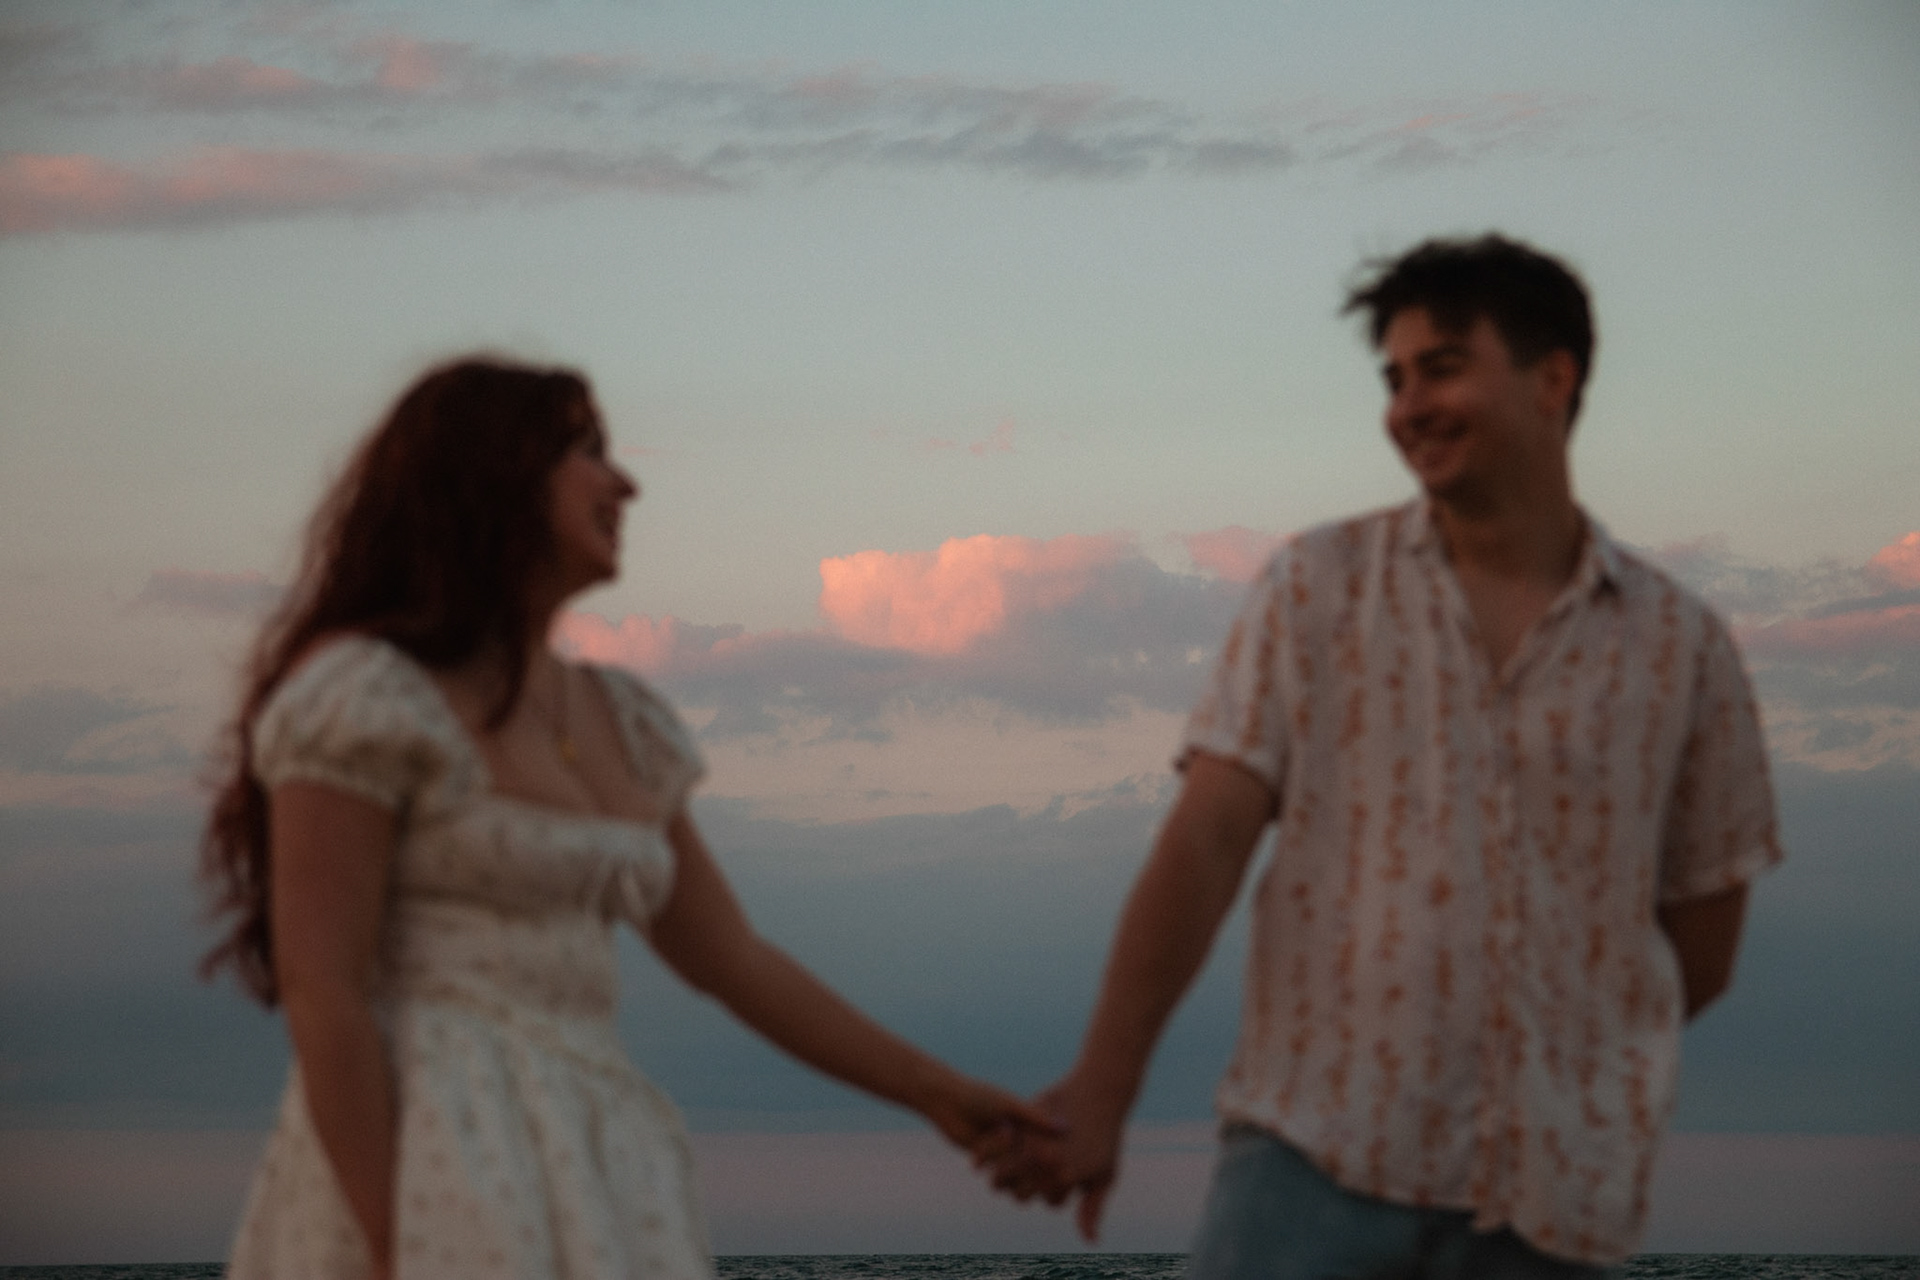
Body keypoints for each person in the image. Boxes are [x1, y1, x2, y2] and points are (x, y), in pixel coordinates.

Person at [985, 235, 1782, 1276]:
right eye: (1395, 379)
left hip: (1554, 1211)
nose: (1409, 407)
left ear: (1554, 379)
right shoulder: (1316, 587)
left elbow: (1699, 948)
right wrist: (1104, 1085)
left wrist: (1563, 1058)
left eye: (1441, 367)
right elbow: (1206, 841)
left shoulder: (1681, 646)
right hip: (1307, 1177)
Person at [202, 357, 1055, 1280]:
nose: (625, 484)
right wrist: (391, 1245)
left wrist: (940, 1095)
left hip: (593, 1154)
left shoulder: (625, 723)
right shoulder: (364, 697)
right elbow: (324, 991)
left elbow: (735, 960)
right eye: (585, 452)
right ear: (488, 476)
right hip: (426, 1144)